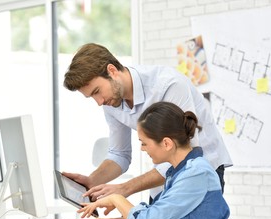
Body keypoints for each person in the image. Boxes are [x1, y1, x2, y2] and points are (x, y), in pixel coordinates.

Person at [63, 43, 232, 201]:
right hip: (164, 178)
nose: (99, 102)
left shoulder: (168, 85)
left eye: (97, 91)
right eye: (91, 97)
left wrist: (124, 188)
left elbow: (183, 155)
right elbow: (120, 154)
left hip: (201, 173)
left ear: (112, 70)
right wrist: (92, 181)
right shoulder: (111, 102)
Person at [77, 102, 230, 219]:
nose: (142, 149)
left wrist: (116, 198)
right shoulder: (179, 172)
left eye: (144, 143)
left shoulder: (196, 173)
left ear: (166, 143)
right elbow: (155, 216)